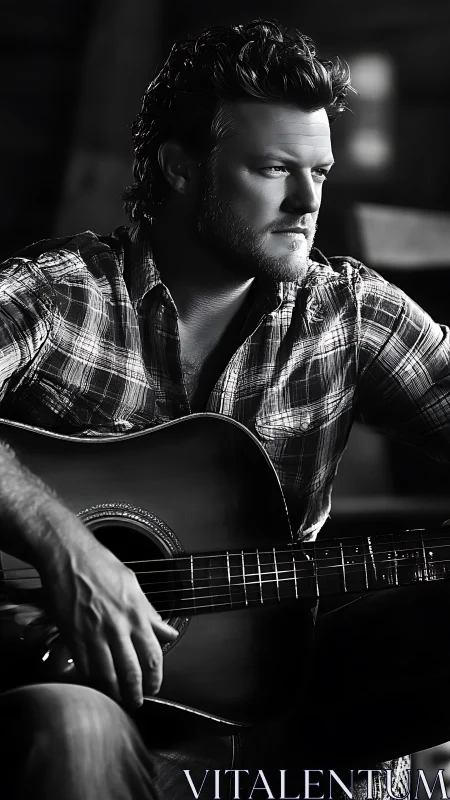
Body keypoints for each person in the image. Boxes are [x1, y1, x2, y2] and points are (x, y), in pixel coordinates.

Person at [0, 17, 449, 800]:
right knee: (71, 731)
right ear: (181, 168)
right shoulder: (59, 295)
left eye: (321, 172)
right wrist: (66, 549)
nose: (308, 202)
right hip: (69, 689)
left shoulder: (348, 313)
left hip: (285, 687)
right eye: (276, 169)